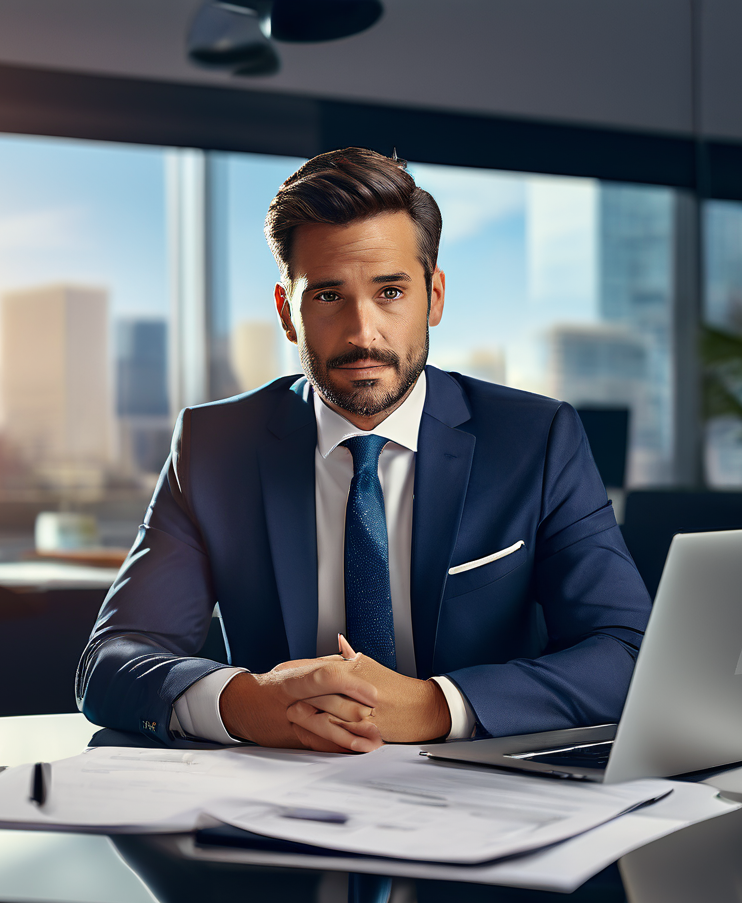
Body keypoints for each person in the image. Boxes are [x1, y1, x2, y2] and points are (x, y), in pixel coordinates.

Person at [76, 147, 651, 754]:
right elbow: (112, 662)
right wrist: (243, 702)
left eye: (390, 292)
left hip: (485, 794)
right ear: (286, 312)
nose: (362, 333)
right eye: (327, 295)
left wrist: (436, 706)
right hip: (275, 797)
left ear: (434, 296)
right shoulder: (214, 446)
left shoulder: (536, 439)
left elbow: (627, 651)